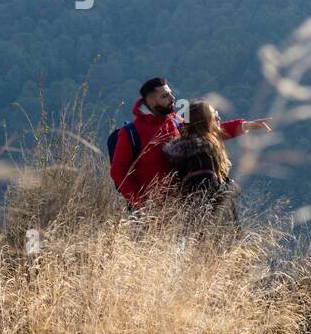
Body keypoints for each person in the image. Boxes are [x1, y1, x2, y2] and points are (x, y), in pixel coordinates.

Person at [109, 77, 268, 210]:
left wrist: (244, 125)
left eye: (171, 93)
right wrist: (140, 204)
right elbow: (118, 172)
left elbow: (207, 133)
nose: (172, 98)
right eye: (165, 96)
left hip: (181, 208)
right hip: (150, 211)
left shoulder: (176, 121)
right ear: (150, 100)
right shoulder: (131, 133)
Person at [162, 100, 270, 228]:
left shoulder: (190, 148)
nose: (218, 118)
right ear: (205, 122)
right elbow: (211, 193)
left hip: (197, 223)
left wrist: (246, 125)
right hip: (213, 227)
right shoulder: (201, 155)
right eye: (214, 115)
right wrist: (233, 187)